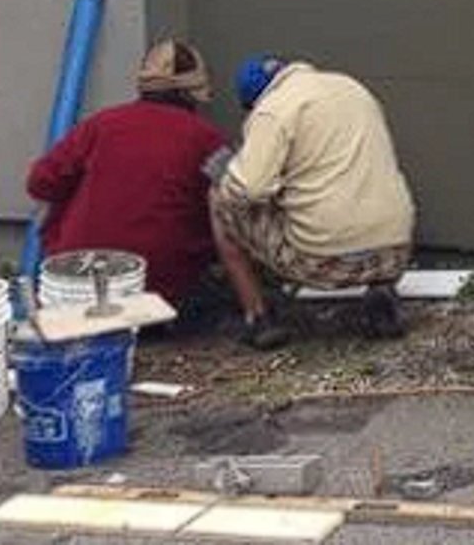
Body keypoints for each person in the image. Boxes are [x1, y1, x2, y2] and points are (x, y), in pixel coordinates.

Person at [207, 54, 417, 349]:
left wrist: (229, 174)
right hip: (394, 252)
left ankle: (258, 317)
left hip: (322, 261)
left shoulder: (272, 110)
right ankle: (382, 294)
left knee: (219, 197)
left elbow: (249, 190)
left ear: (254, 102)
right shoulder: (352, 88)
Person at [26, 39, 230, 308]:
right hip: (162, 287)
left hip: (77, 282)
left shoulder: (100, 125)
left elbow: (39, 182)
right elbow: (233, 202)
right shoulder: (208, 139)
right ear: (195, 91)